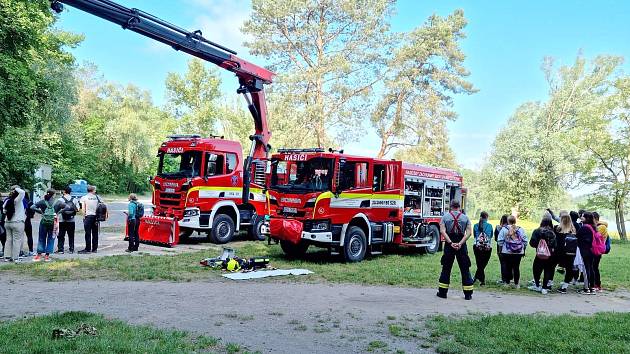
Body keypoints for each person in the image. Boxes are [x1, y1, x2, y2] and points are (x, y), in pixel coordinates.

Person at [437, 200, 474, 300]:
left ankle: (442, 293)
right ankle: (468, 294)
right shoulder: (465, 218)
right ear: (459, 206)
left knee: (446, 268)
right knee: (465, 268)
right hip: (461, 244)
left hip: (450, 244)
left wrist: (450, 243)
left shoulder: (445, 217)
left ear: (451, 206)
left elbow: (442, 231)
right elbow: (469, 233)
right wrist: (460, 243)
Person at [497, 215, 528, 288]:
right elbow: (525, 241)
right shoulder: (520, 229)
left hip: (507, 251)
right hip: (518, 252)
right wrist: (523, 250)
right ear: (515, 221)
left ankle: (507, 283)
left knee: (508, 267)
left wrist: (500, 250)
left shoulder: (504, 229)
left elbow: (500, 241)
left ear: (508, 221)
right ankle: (517, 284)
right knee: (516, 267)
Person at [528, 217, 557, 294]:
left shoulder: (537, 231)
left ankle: (537, 285)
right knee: (547, 270)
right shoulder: (553, 232)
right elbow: (555, 244)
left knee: (536, 269)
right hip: (550, 254)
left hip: (539, 254)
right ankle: (544, 287)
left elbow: (532, 243)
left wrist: (539, 245)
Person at [31, 188, 57, 262]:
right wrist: (58, 212)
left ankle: (38, 255)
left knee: (41, 238)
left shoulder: (42, 202)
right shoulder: (57, 202)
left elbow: (32, 207)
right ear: (54, 194)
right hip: (53, 222)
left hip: (43, 221)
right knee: (51, 238)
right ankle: (47, 256)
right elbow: (67, 207)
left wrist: (41, 212)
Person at [555, 212, 577, 293]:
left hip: (560, 252)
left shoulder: (558, 229)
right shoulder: (573, 229)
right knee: (569, 269)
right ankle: (565, 286)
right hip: (571, 253)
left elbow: (557, 242)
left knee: (553, 266)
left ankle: (548, 284)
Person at [2, 186, 26, 262]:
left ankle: (7, 256)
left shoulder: (7, 200)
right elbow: (22, 192)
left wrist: (12, 189)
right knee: (17, 240)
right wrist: (16, 188)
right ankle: (15, 258)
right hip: (17, 222)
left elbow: (4, 211)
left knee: (8, 239)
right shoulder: (17, 200)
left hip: (7, 222)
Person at [576, 211, 598, 294]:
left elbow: (577, 236)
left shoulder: (584, 227)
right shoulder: (593, 227)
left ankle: (586, 288)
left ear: (586, 218)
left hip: (585, 250)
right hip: (592, 250)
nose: (581, 217)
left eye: (582, 216)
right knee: (591, 268)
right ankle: (592, 287)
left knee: (586, 268)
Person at [54, 186, 78, 254]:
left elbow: (56, 209)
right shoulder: (74, 200)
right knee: (71, 235)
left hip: (62, 220)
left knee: (61, 235)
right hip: (71, 220)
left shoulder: (60, 200)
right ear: (70, 192)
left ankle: (61, 249)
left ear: (64, 191)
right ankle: (71, 249)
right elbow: (77, 209)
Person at [472, 211, 493, 286]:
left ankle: (475, 278)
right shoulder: (490, 226)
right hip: (487, 247)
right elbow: (491, 236)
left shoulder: (475, 225)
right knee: (483, 264)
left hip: (477, 247)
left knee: (479, 263)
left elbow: (475, 236)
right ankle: (482, 280)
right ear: (487, 217)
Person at [79, 185, 101, 253]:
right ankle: (95, 249)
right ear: (93, 190)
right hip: (96, 217)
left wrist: (83, 216)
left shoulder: (84, 198)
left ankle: (88, 249)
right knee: (95, 233)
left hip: (88, 216)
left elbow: (83, 208)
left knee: (88, 233)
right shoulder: (97, 197)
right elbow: (101, 206)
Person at [593, 212, 608, 292]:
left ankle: (597, 285)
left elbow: (595, 235)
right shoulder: (598, 226)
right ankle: (594, 284)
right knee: (593, 267)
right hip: (595, 250)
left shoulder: (602, 227)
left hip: (598, 250)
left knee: (595, 267)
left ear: (595, 219)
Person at [494, 214, 509, 284]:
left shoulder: (498, 228)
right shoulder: (511, 228)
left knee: (503, 264)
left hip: (500, 248)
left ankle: (504, 279)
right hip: (510, 248)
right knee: (510, 264)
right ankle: (509, 278)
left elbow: (496, 239)